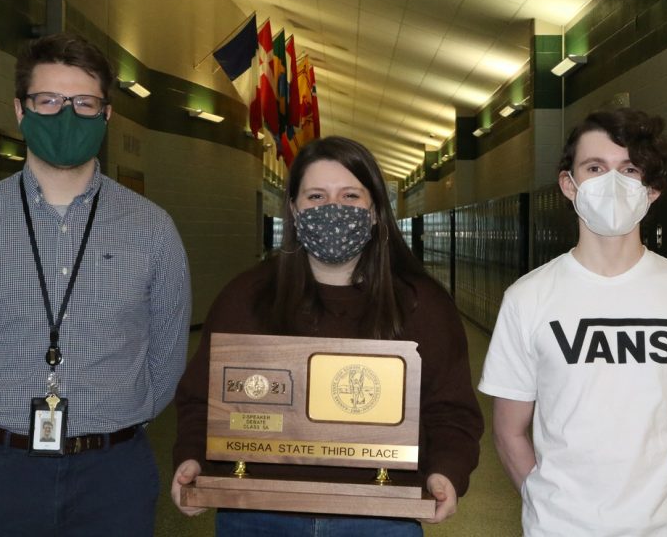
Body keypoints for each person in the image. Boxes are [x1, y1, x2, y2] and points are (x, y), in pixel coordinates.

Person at [0, 33, 191, 537]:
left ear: (106, 115)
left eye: (84, 103)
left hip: (113, 473)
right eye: (49, 100)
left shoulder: (153, 229)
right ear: (20, 111)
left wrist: (120, 419)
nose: (67, 115)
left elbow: (168, 353)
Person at [171, 136, 483, 536]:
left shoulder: (422, 305)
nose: (333, 209)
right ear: (294, 211)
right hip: (258, 512)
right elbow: (203, 399)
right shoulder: (245, 298)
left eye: (350, 195)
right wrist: (192, 458)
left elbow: (452, 411)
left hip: (379, 517)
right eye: (316, 196)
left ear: (374, 212)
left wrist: (447, 472)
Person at [478, 108, 667, 536]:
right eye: (595, 167)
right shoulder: (527, 299)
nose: (613, 182)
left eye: (630, 169)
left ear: (652, 188)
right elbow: (509, 431)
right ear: (569, 184)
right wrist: (546, 508)